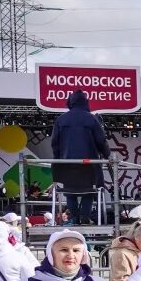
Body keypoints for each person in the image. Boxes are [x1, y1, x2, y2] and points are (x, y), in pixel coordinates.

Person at [49, 90, 110, 225]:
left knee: (70, 191)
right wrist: (107, 156)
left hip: (67, 164)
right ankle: (84, 216)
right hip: (90, 165)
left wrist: (58, 160)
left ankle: (75, 217)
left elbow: (55, 143)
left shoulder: (61, 120)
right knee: (90, 191)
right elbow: (101, 140)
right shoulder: (91, 118)